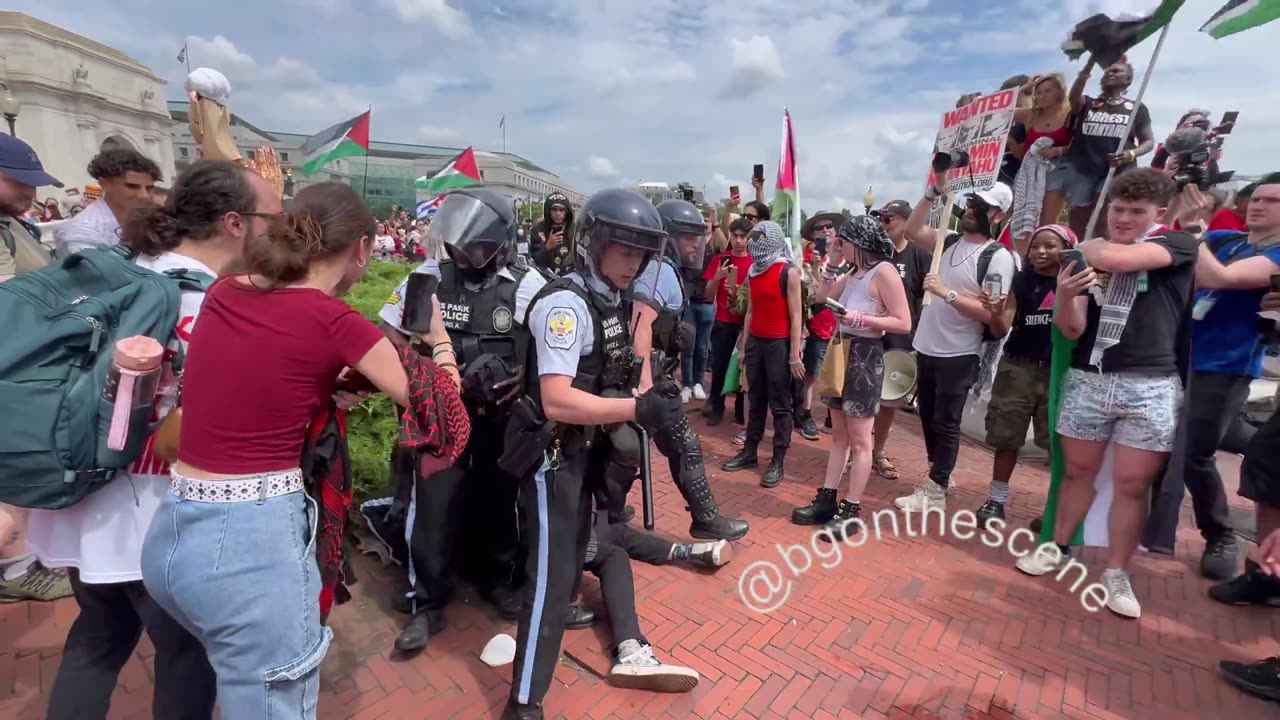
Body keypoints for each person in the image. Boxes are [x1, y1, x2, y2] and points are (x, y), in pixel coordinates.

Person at [140, 182, 463, 720]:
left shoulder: (226, 290)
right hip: (248, 550)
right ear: (362, 249)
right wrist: (440, 339)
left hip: (173, 535)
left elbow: (261, 369)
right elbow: (444, 411)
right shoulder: (335, 322)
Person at [25, 161, 277, 720]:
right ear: (235, 223)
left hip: (82, 493)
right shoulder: (209, 305)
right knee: (188, 656)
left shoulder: (126, 271)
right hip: (157, 514)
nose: (275, 233)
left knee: (98, 638)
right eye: (270, 219)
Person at [503, 188, 690, 720]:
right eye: (624, 249)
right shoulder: (568, 305)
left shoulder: (609, 299)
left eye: (642, 252)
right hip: (552, 459)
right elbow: (557, 398)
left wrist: (649, 397)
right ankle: (523, 706)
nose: (634, 262)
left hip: (585, 457)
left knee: (581, 560)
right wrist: (635, 409)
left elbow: (612, 380)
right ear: (595, 243)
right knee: (552, 579)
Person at [1017, 169, 1197, 619]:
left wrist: (1090, 251)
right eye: (1117, 208)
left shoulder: (1178, 246)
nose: (1123, 218)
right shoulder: (1082, 258)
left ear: (1159, 214)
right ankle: (1056, 546)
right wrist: (1064, 293)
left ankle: (1117, 572)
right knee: (1077, 472)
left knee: (1132, 485)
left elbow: (1118, 261)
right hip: (1090, 377)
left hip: (1150, 384)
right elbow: (1073, 327)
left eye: (1136, 211)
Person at [377, 188, 552, 651]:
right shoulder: (428, 276)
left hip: (499, 418)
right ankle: (426, 602)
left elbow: (554, 349)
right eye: (458, 243)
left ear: (501, 242)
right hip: (439, 416)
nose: (463, 252)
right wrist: (418, 370)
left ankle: (497, 579)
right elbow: (388, 334)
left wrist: (526, 375)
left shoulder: (528, 284)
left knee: (499, 501)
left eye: (475, 244)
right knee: (432, 505)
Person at [602, 197, 747, 540]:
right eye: (688, 236)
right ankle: (706, 518)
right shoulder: (658, 272)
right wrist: (646, 386)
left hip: (644, 373)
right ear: (668, 236)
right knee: (683, 446)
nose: (696, 244)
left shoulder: (659, 268)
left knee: (626, 449)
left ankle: (610, 509)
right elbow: (641, 324)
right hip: (649, 377)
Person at [1168, 175, 1280, 581]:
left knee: (1194, 452)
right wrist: (1181, 219)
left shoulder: (1277, 253)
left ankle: (1220, 534)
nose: (1258, 205)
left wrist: (1197, 232)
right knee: (1167, 440)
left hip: (1226, 366)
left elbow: (1220, 279)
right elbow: (1175, 251)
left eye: (1272, 201)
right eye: (1257, 197)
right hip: (1180, 355)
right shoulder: (1228, 240)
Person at [897, 183, 1016, 511]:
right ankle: (941, 474)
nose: (973, 209)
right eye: (972, 201)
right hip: (928, 344)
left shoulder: (998, 257)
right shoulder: (947, 241)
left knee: (946, 421)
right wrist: (932, 194)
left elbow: (991, 312)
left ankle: (935, 489)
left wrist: (947, 292)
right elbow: (912, 229)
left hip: (960, 351)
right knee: (927, 415)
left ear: (998, 214)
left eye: (982, 205)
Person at [796, 217, 911, 539]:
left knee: (861, 440)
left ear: (858, 241)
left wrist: (861, 317)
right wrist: (832, 262)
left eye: (843, 241)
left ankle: (851, 508)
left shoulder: (884, 271)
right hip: (842, 349)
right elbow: (820, 295)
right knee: (840, 436)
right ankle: (827, 498)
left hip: (865, 354)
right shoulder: (852, 273)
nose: (839, 244)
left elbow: (903, 321)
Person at [976, 224, 1073, 526]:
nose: (1040, 252)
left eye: (1050, 246)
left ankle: (1053, 512)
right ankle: (996, 501)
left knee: (1058, 447)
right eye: (1035, 246)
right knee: (1007, 436)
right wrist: (993, 312)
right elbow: (1001, 328)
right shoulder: (1021, 279)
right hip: (1017, 367)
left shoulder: (1077, 281)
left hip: (1058, 372)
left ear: (1067, 249)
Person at [722, 221, 806, 488]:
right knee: (755, 398)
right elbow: (750, 311)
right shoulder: (754, 271)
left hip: (779, 344)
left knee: (781, 405)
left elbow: (796, 317)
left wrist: (794, 355)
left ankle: (778, 460)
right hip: (757, 342)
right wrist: (744, 347)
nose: (753, 248)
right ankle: (749, 452)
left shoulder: (788, 272)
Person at [867, 200, 930, 480]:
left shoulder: (921, 257)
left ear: (905, 221)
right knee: (863, 398)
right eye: (880, 219)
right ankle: (857, 449)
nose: (883, 223)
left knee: (888, 401)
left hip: (900, 342)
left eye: (888, 219)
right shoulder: (874, 254)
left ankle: (877, 452)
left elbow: (925, 304)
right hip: (868, 338)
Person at [54, 148, 162, 258]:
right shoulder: (82, 230)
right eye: (132, 186)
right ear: (104, 184)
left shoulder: (152, 221)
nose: (144, 195)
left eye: (149, 188)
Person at [702, 218, 752, 426]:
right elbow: (707, 295)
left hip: (747, 324)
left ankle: (741, 411)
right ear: (730, 236)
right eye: (736, 236)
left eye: (743, 236)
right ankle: (716, 406)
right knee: (720, 367)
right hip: (723, 322)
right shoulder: (720, 259)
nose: (739, 240)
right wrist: (717, 277)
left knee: (743, 368)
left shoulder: (754, 263)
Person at [530, 193, 575, 276]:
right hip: (544, 277)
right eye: (554, 209)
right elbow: (534, 261)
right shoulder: (538, 229)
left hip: (568, 278)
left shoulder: (574, 229)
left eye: (562, 210)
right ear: (549, 211)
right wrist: (547, 247)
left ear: (566, 212)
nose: (558, 214)